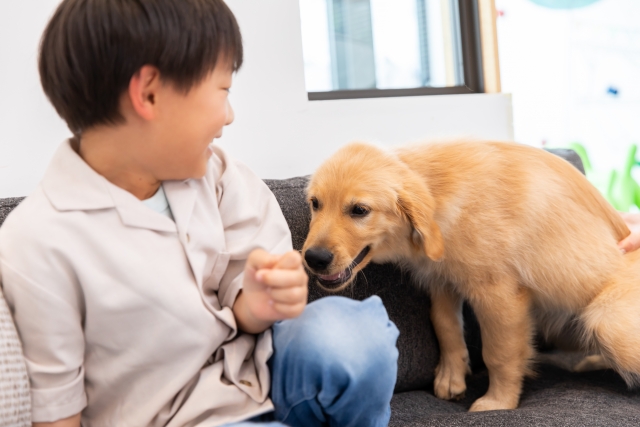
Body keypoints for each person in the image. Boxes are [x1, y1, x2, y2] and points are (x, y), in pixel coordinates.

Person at [0, 1, 399, 426]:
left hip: (264, 380)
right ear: (149, 93)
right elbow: (58, 414)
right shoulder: (38, 242)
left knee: (356, 334)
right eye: (223, 90)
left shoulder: (219, 175)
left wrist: (261, 303)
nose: (229, 115)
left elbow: (252, 309)